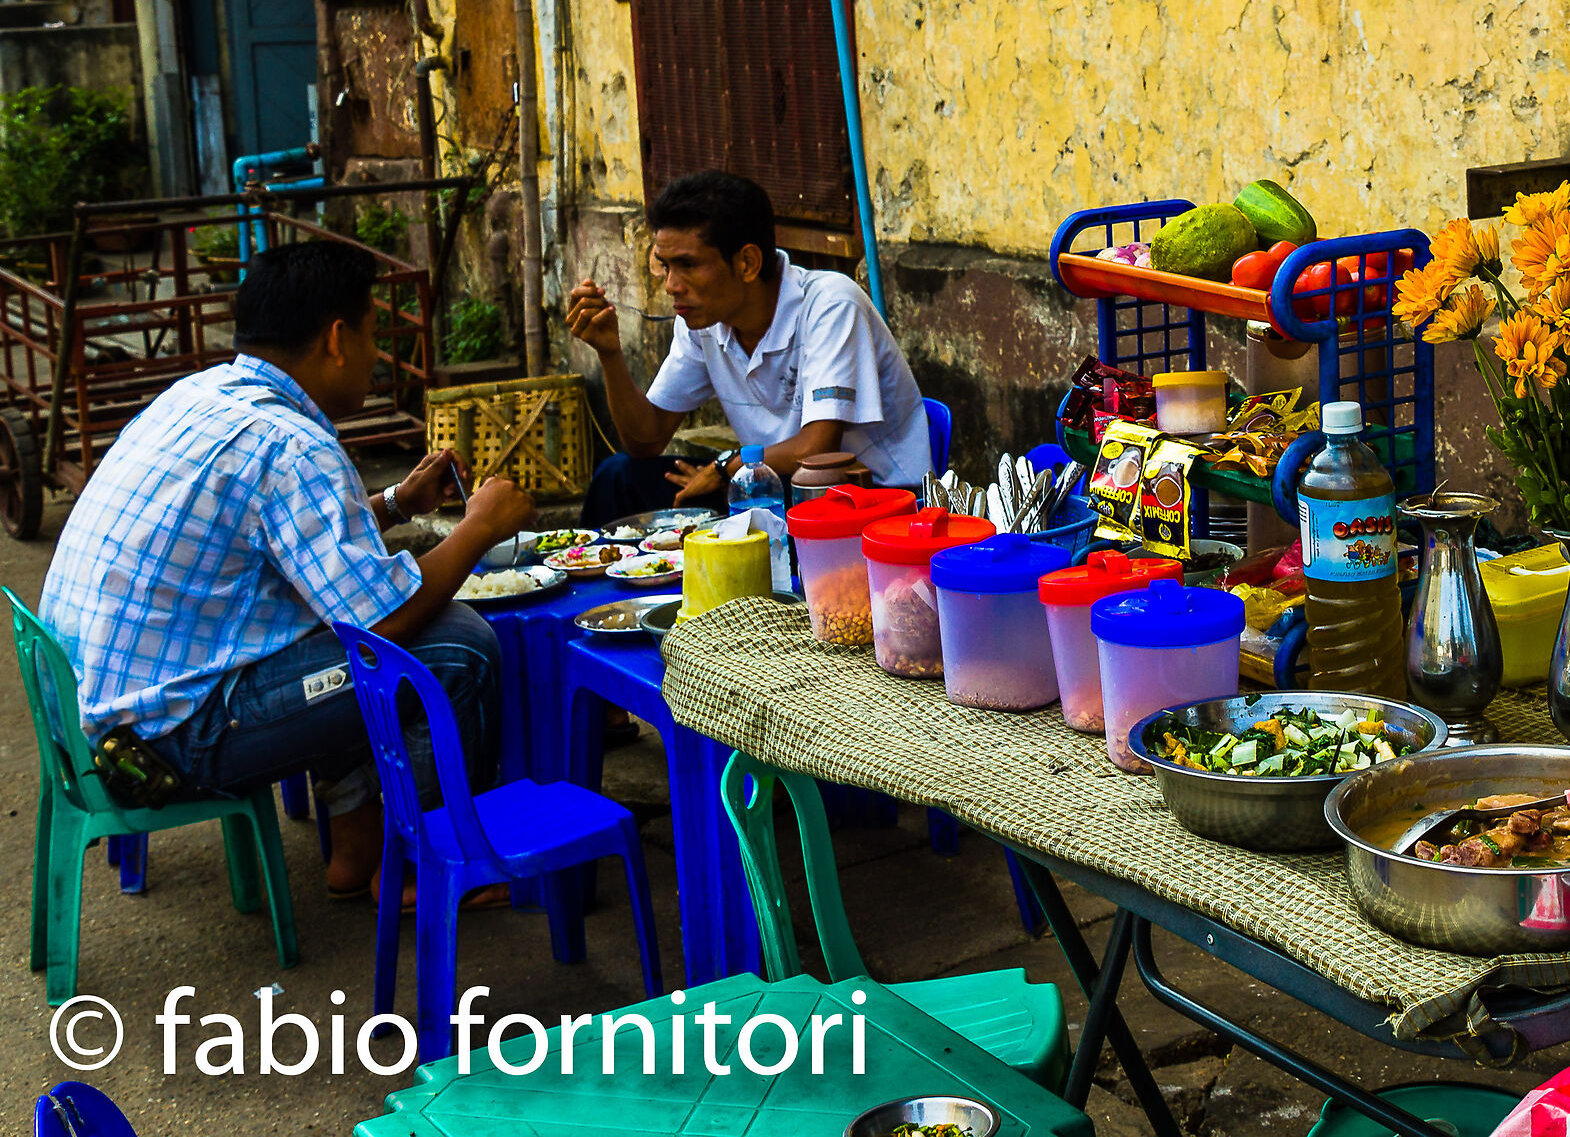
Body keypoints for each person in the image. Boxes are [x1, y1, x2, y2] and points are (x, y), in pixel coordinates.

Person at [41, 241, 538, 897]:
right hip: (174, 739)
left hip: (88, 714)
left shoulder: (201, 395)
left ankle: (358, 847)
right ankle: (436, 869)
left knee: (318, 618)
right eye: (370, 334)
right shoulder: (292, 445)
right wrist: (480, 528)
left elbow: (286, 543)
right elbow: (382, 621)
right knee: (457, 647)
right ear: (337, 339)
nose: (374, 354)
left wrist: (393, 504)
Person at [568, 169, 930, 526]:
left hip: (868, 500)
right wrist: (609, 353)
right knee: (620, 477)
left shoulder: (831, 303)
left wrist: (727, 468)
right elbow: (645, 441)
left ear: (747, 263)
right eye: (666, 267)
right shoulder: (702, 322)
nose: (671, 286)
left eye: (688, 265)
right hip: (770, 486)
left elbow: (817, 450)